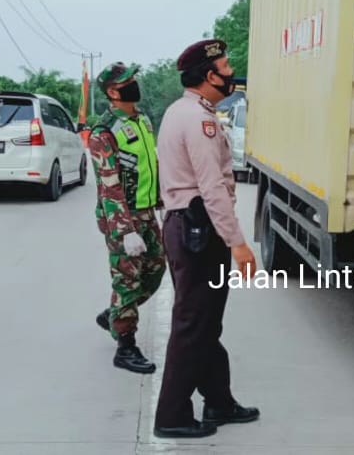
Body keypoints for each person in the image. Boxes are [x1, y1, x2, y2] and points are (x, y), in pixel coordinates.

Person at [152, 39, 259, 439]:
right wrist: (238, 242)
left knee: (204, 322)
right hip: (199, 230)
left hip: (187, 227)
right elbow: (211, 186)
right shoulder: (200, 120)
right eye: (226, 67)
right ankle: (172, 416)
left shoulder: (181, 112)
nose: (232, 73)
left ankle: (219, 400)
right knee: (193, 325)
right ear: (209, 76)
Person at [89, 62, 166, 374]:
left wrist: (161, 199)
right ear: (112, 91)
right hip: (123, 219)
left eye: (134, 78)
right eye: (127, 81)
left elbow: (149, 164)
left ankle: (116, 313)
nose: (135, 83)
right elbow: (110, 186)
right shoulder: (104, 132)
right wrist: (125, 230)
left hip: (146, 212)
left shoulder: (142, 120)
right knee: (127, 280)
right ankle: (125, 345)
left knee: (156, 270)